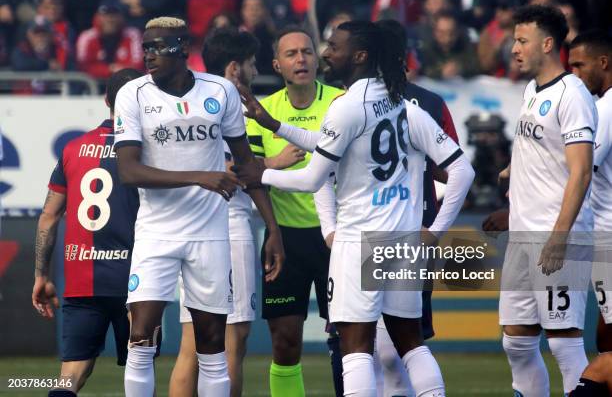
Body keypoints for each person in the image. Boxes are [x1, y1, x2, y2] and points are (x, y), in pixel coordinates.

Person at [234, 20, 474, 397]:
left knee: (355, 348)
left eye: (334, 46)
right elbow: (463, 169)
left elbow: (313, 179)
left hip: (359, 242)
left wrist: (261, 174)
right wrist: (435, 231)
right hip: (403, 242)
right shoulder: (401, 104)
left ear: (359, 56)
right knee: (411, 343)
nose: (326, 53)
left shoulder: (346, 107)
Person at [113, 16, 283, 397]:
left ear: (183, 49)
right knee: (140, 337)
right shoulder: (133, 94)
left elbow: (245, 165)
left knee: (212, 344)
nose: (149, 55)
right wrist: (199, 176)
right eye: (146, 47)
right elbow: (129, 171)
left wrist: (272, 229)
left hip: (209, 235)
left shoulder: (220, 91)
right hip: (156, 233)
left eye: (159, 47)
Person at [499, 5, 597, 396]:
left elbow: (581, 171)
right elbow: (539, 152)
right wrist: (510, 177)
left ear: (548, 43)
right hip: (522, 235)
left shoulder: (571, 93)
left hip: (557, 236)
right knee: (517, 341)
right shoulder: (530, 90)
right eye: (515, 40)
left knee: (563, 339)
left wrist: (560, 236)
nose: (514, 48)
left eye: (522, 41)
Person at [245, 26, 344, 397]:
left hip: (338, 236)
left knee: (349, 337)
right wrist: (276, 162)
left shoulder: (340, 102)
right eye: (291, 54)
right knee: (285, 342)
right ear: (277, 64)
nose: (301, 59)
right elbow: (249, 177)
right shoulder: (262, 110)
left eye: (306, 52)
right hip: (284, 237)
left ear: (317, 60)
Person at [31, 68, 142, 397]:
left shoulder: (73, 149)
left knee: (70, 376)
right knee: (140, 370)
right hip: (135, 279)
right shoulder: (146, 152)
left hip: (82, 280)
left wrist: (41, 275)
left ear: (106, 100)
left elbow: (49, 217)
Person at [168, 28, 262, 397]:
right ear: (236, 68)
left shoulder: (190, 100)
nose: (256, 71)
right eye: (253, 64)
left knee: (192, 344)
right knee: (232, 339)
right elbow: (227, 166)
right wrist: (273, 163)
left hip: (190, 226)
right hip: (229, 225)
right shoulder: (228, 104)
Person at [568, 30, 612, 353]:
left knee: (609, 331)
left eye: (580, 66)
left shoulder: (606, 110)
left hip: (608, 234)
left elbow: (581, 170)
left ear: (604, 62)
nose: (575, 74)